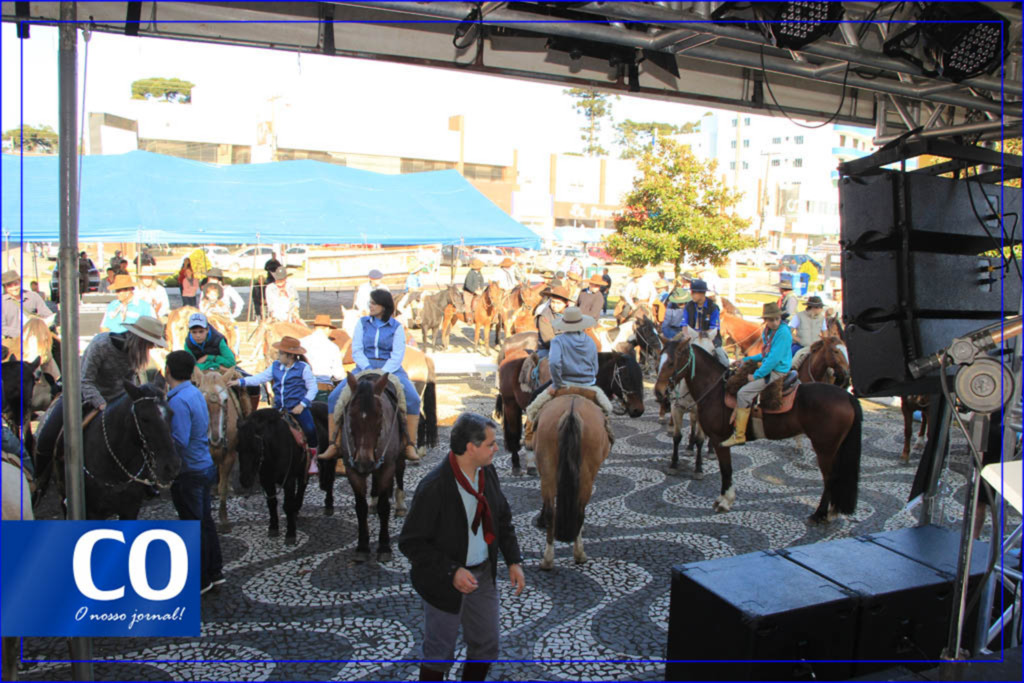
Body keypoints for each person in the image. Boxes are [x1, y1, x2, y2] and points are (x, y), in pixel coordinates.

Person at [398, 412, 525, 682]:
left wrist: (513, 560)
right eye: (491, 444)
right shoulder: (434, 487)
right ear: (471, 447)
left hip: (483, 574)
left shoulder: (488, 473)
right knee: (438, 654)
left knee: (487, 645)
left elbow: (502, 518)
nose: (497, 448)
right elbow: (411, 542)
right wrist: (451, 571)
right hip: (443, 582)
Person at [322, 289, 423, 463]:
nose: (370, 306)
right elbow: (357, 349)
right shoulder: (362, 323)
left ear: (384, 306)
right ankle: (334, 443)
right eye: (370, 302)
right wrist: (367, 368)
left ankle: (409, 444)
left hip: (390, 368)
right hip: (364, 366)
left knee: (413, 399)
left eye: (374, 303)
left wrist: (383, 372)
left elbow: (397, 355)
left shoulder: (396, 327)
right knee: (333, 398)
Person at [165, 350, 224, 595]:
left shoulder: (177, 401)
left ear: (167, 371)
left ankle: (200, 580)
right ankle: (215, 572)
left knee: (193, 525)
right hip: (204, 465)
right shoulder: (195, 393)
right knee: (205, 522)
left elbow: (179, 440)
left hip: (189, 471)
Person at [232, 335, 319, 461]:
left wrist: (302, 404)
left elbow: (313, 388)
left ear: (290, 355)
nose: (278, 356)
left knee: (310, 429)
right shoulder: (275, 366)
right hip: (278, 408)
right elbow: (260, 378)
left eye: (281, 353)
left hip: (297, 407)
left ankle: (313, 458)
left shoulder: (303, 368)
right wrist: (240, 382)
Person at [720, 302, 792, 447]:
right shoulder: (768, 332)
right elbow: (765, 354)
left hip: (777, 371)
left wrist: (756, 375)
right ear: (765, 320)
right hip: (770, 366)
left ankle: (739, 435)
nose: (774, 322)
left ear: (780, 318)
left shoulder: (783, 333)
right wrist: (745, 360)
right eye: (771, 320)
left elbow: (773, 359)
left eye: (777, 319)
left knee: (743, 393)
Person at [676, 279, 730, 366]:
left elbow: (714, 327)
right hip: (690, 337)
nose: (691, 294)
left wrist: (701, 335)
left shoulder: (713, 308)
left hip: (709, 337)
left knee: (723, 360)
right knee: (673, 353)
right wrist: (686, 335)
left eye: (694, 292)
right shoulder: (688, 306)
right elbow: (684, 324)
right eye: (692, 292)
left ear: (702, 293)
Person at [304, 314, 346, 401]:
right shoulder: (332, 347)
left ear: (315, 328)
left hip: (303, 388)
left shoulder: (301, 342)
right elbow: (339, 375)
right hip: (322, 390)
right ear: (327, 329)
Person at [2, 270, 53, 338]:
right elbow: (2, 327)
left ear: (20, 282)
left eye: (16, 284)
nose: (14, 288)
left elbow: (48, 315)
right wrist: (22, 333)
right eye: (9, 286)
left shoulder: (33, 296)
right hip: (13, 339)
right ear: (5, 287)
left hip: (36, 336)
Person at [789, 295, 828, 369]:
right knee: (790, 360)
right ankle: (787, 374)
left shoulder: (822, 318)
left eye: (821, 307)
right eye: (819, 307)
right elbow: (788, 332)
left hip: (816, 347)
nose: (821, 309)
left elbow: (825, 335)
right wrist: (799, 340)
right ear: (812, 307)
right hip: (801, 346)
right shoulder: (799, 316)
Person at [535, 285, 572, 360]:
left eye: (558, 303)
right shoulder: (544, 316)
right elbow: (549, 339)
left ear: (566, 304)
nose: (555, 306)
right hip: (548, 349)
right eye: (553, 302)